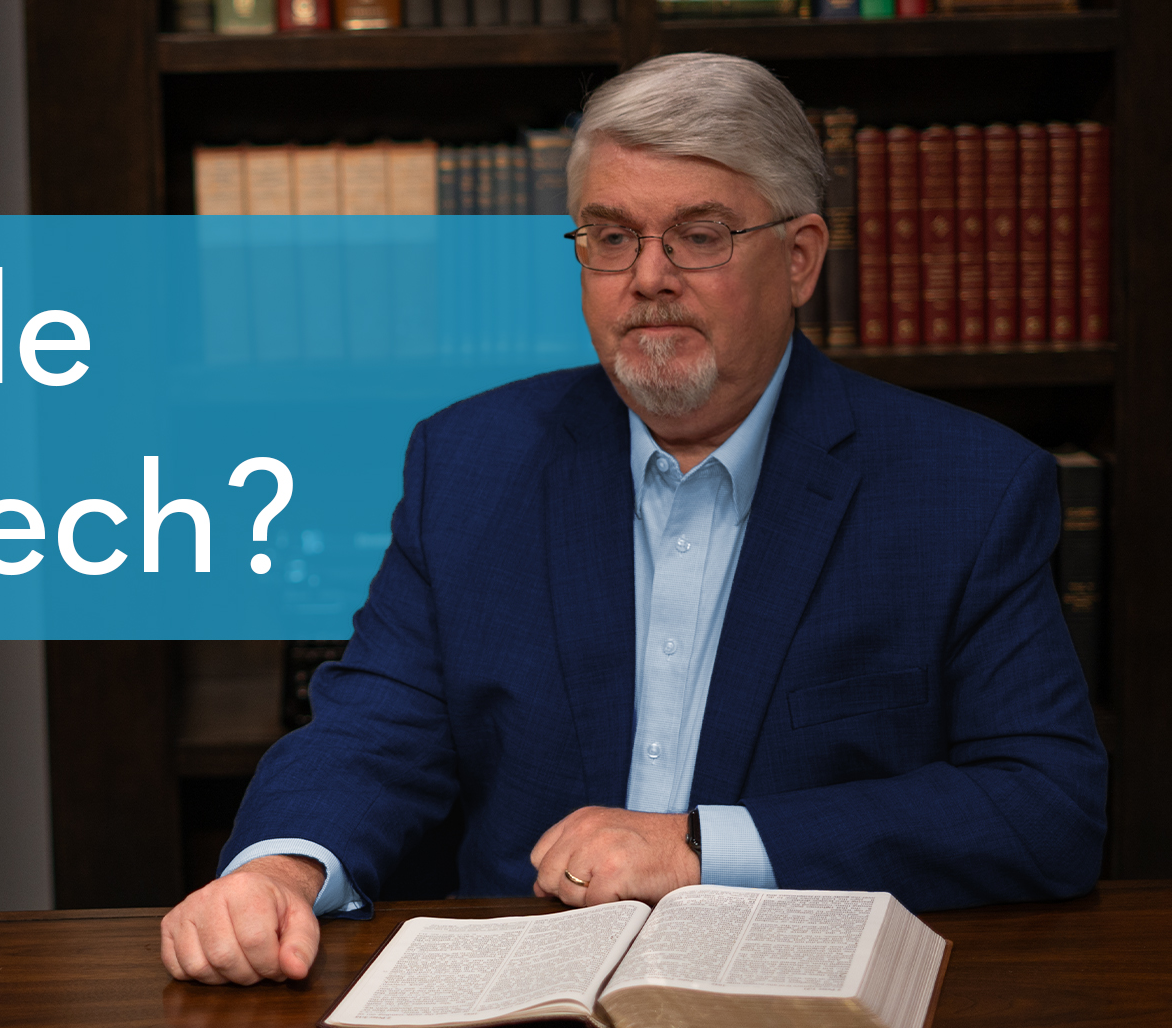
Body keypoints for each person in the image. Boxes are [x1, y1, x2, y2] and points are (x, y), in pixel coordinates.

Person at [159, 52, 1107, 987]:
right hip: (520, 991)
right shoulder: (470, 460)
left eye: (700, 236)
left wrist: (703, 848)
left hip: (786, 996)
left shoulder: (966, 486)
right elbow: (376, 726)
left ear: (802, 259)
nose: (648, 277)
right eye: (610, 237)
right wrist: (280, 871)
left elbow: (1046, 806)